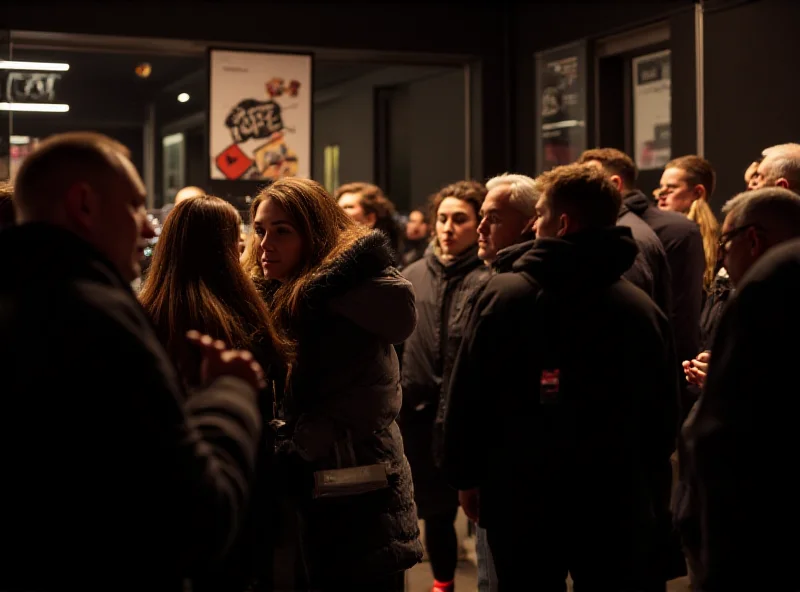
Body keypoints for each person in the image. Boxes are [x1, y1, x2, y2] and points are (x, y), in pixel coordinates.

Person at [0, 132, 266, 590]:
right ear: (83, 204)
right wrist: (229, 390)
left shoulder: (20, 298)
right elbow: (195, 519)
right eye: (136, 207)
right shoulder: (96, 318)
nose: (147, 229)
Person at [443, 163, 679, 589]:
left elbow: (470, 394)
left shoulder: (505, 294)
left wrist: (465, 476)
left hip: (520, 495)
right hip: (613, 498)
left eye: (541, 216)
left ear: (562, 223)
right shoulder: (640, 308)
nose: (535, 226)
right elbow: (663, 414)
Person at [252, 177, 422, 591]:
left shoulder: (348, 302)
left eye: (282, 231)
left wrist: (288, 447)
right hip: (311, 500)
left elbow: (371, 398)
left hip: (358, 500)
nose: (264, 244)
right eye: (259, 229)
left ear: (314, 235)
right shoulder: (277, 294)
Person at [680, 231, 800, 590]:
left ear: (753, 240)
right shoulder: (756, 280)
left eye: (725, 241)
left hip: (754, 509)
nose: (721, 254)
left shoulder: (775, 277)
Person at [401, 180, 489, 592]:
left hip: (473, 415)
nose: (447, 228)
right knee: (433, 512)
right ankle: (443, 583)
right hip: (419, 417)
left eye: (459, 219)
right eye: (442, 219)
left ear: (478, 224)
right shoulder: (412, 275)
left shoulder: (490, 276)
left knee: (482, 512)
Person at [656, 155, 720, 292]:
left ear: (698, 192)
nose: (661, 193)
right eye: (661, 186)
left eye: (671, 188)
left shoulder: (720, 243)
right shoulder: (655, 233)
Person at [335, 181, 403, 261]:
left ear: (370, 219)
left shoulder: (381, 260)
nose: (339, 212)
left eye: (349, 207)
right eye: (338, 207)